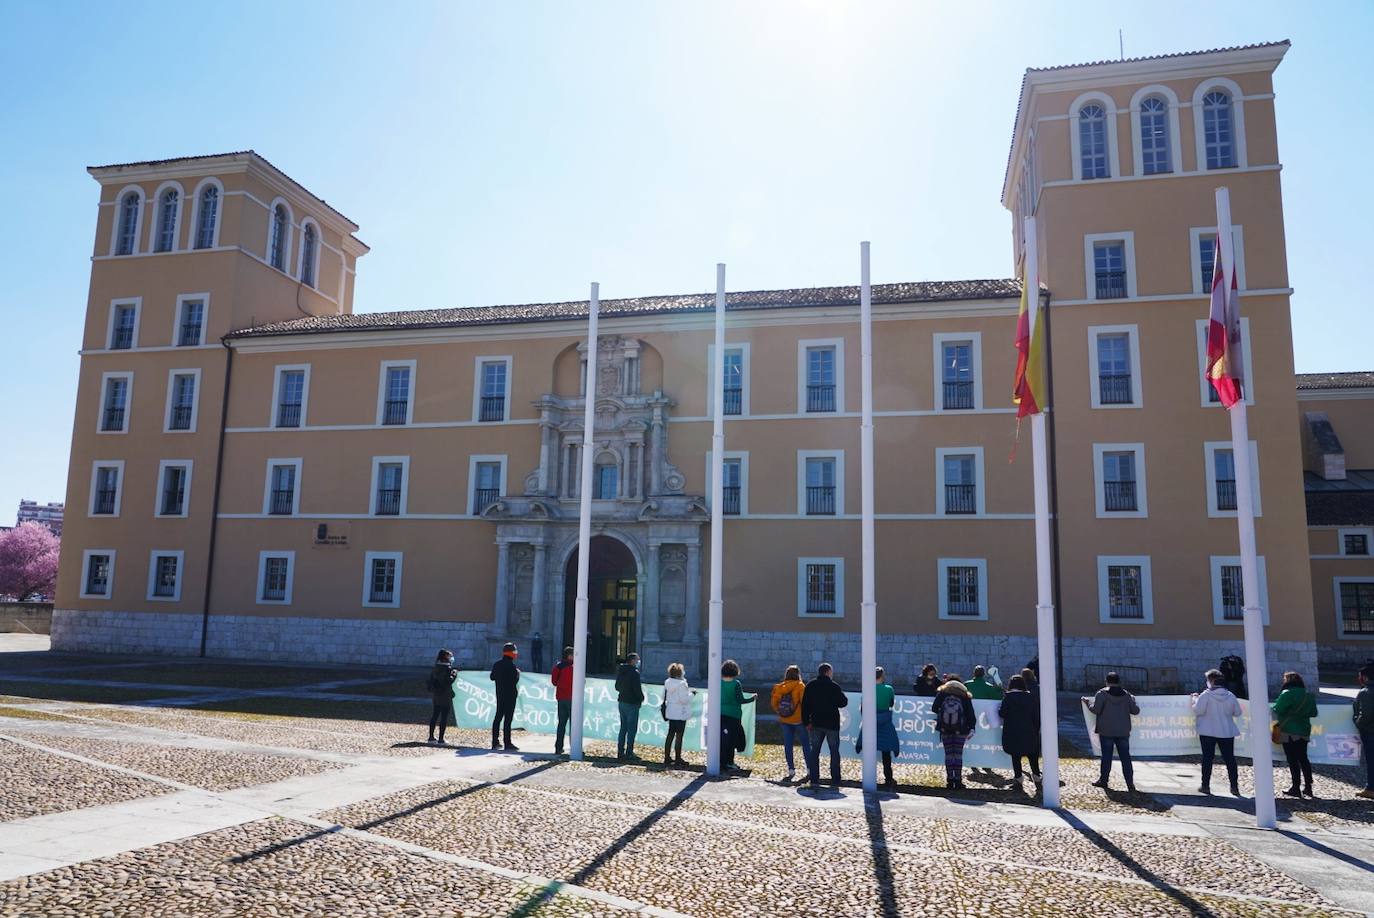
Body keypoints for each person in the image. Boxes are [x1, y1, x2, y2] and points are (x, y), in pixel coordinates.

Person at [1190, 668, 1242, 796]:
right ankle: (1234, 787)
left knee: (1207, 758)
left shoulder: (1206, 695)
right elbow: (1238, 712)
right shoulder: (1230, 696)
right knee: (1230, 759)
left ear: (1211, 681)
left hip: (1208, 731)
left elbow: (1198, 710)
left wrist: (1194, 700)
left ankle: (1205, 785)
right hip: (1226, 731)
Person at [1083, 671, 1139, 792]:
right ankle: (1130, 784)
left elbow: (1096, 710)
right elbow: (1135, 711)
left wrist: (1088, 703)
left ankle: (1104, 780)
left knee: (1106, 757)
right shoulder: (1127, 695)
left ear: (1107, 681)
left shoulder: (1101, 694)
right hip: (1123, 731)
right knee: (1125, 758)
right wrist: (1133, 701)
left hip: (1106, 730)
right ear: (1119, 682)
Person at [1271, 670, 1319, 798]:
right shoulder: (1308, 695)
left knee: (1292, 760)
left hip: (1289, 730)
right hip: (1304, 730)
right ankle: (1308, 786)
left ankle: (1295, 787)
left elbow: (1277, 709)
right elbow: (1314, 713)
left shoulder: (1286, 693)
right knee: (1303, 758)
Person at [802, 662, 849, 789]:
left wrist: (806, 722)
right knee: (834, 751)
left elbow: (805, 705)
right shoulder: (834, 686)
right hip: (832, 724)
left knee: (815, 751)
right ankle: (835, 779)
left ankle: (814, 778)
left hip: (816, 723)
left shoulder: (811, 685)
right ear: (828, 672)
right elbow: (843, 702)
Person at [854, 666, 900, 788]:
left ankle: (868, 777)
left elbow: (863, 707)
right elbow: (891, 703)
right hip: (885, 721)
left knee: (868, 750)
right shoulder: (889, 689)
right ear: (882, 676)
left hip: (870, 721)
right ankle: (889, 778)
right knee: (886, 752)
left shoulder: (867, 689)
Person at [931, 675, 976, 790]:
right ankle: (958, 780)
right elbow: (970, 714)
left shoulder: (942, 693)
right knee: (958, 754)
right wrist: (972, 728)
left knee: (949, 754)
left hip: (945, 729)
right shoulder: (964, 695)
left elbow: (934, 708)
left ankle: (950, 780)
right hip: (961, 730)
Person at [998, 674, 1040, 788]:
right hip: (1029, 729)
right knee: (1032, 754)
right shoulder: (1030, 697)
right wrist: (1036, 729)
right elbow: (1035, 715)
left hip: (1012, 730)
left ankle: (1018, 777)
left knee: (1015, 755)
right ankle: (1036, 775)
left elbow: (1003, 713)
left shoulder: (1008, 697)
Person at [771, 664, 811, 782]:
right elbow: (805, 703)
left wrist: (780, 711)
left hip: (785, 720)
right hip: (798, 720)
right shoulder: (800, 686)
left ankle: (791, 769)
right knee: (805, 744)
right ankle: (809, 768)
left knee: (788, 745)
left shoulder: (779, 687)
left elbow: (774, 703)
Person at [719, 659, 755, 772]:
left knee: (723, 740)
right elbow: (740, 700)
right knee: (732, 740)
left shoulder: (718, 683)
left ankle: (722, 761)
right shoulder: (736, 684)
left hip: (721, 714)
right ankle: (730, 762)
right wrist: (752, 698)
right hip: (734, 715)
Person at [489, 642, 521, 751]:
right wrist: (517, 674)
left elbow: (492, 677)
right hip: (510, 696)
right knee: (508, 720)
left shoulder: (497, 664)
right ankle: (507, 743)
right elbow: (514, 680)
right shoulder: (512, 666)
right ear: (511, 653)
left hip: (500, 694)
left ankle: (495, 742)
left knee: (497, 718)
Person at [615, 652, 645, 761]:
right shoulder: (634, 673)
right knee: (631, 729)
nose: (638, 662)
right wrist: (641, 698)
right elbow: (637, 690)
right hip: (632, 703)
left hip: (622, 701)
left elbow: (617, 687)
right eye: (637, 660)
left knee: (623, 728)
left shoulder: (621, 671)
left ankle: (620, 751)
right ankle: (629, 752)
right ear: (632, 661)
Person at [663, 662, 692, 767]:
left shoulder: (667, 682)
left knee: (670, 734)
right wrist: (692, 694)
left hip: (671, 711)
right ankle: (678, 758)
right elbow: (684, 699)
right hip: (680, 712)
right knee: (679, 736)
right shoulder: (682, 684)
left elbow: (664, 696)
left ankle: (666, 757)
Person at [426, 648, 457, 745]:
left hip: (436, 695)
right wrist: (454, 674)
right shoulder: (447, 669)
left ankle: (431, 737)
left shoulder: (435, 667)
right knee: (444, 717)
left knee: (435, 715)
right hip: (445, 695)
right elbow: (448, 681)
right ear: (446, 657)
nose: (451, 658)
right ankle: (441, 739)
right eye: (450, 656)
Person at [551, 646, 575, 756]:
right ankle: (574, 748)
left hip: (561, 698)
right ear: (569, 655)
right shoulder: (575, 667)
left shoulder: (558, 667)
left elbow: (554, 682)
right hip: (572, 699)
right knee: (573, 725)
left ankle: (558, 747)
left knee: (561, 724)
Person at [1355, 662, 1374, 799]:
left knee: (1371, 760)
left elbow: (1366, 714)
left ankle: (1371, 788)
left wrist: (1358, 723)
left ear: (1365, 678)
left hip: (1370, 731)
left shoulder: (1366, 692)